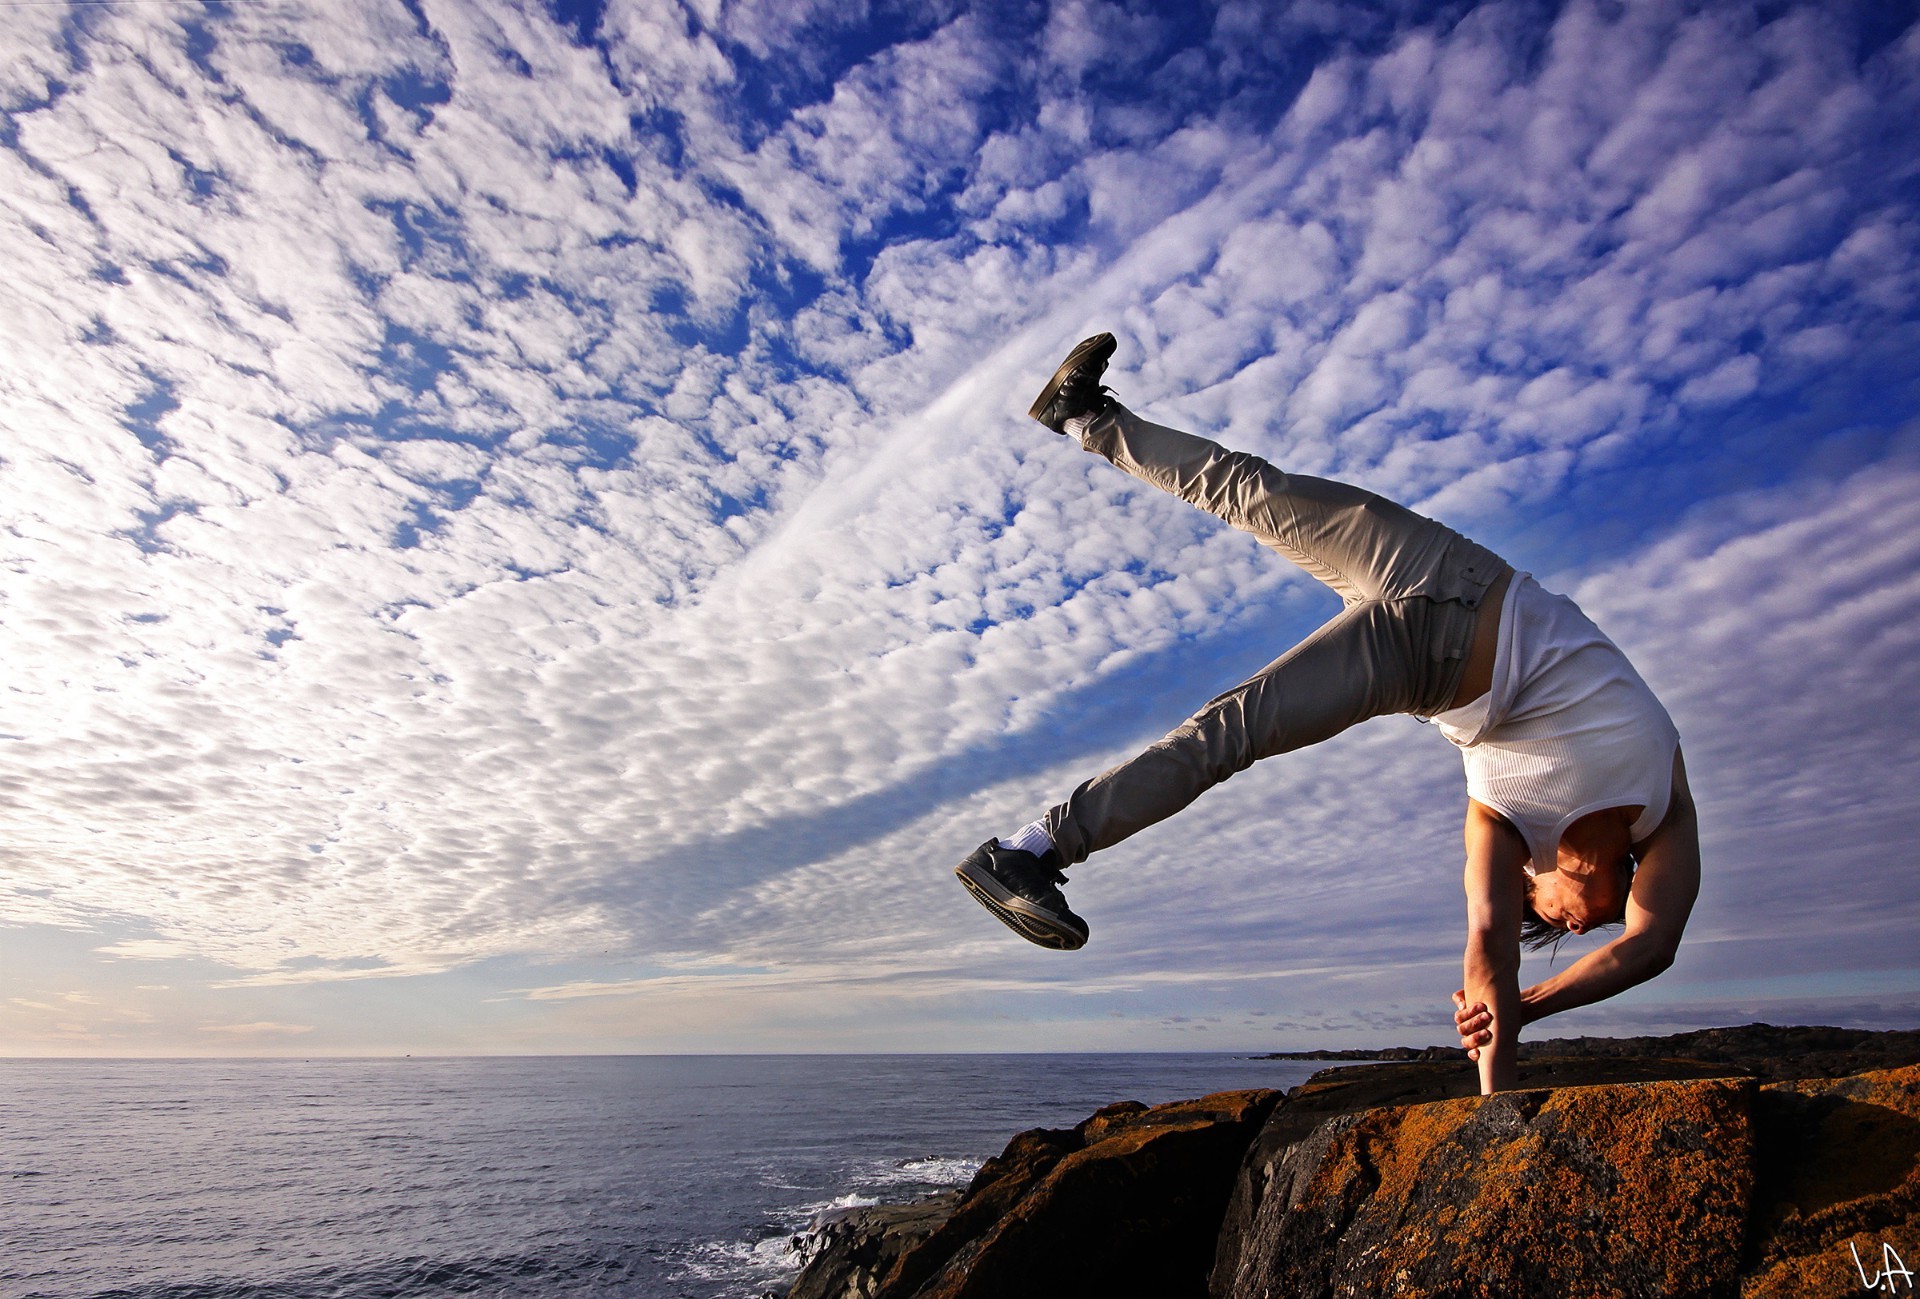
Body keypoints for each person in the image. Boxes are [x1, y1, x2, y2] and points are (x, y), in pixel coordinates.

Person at [953, 333, 1701, 1094]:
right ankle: (1083, 417)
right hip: (1454, 565)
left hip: (1415, 658)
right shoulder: (1664, 803)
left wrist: (1516, 1022)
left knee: (1232, 727)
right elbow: (1652, 943)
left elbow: (1497, 948)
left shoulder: (1498, 825)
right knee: (1250, 488)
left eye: (1552, 925)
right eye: (1577, 924)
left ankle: (1031, 850)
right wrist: (1521, 1001)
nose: (1577, 929)